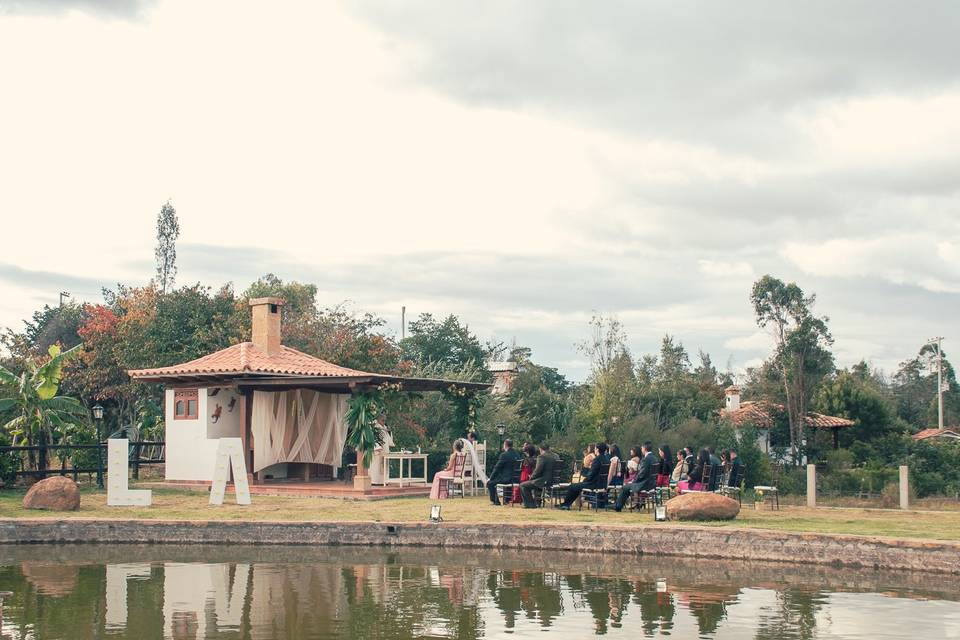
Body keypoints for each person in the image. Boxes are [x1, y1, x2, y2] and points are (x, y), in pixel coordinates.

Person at [557, 443, 610, 509]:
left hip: (594, 484)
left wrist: (585, 480)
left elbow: (592, 474)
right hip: (602, 484)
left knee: (572, 486)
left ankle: (565, 504)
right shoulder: (607, 460)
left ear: (597, 449)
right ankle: (566, 504)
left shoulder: (597, 460)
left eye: (595, 449)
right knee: (576, 486)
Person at [614, 442, 658, 511]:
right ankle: (621, 504)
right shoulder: (655, 458)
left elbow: (642, 474)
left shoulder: (646, 459)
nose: (641, 450)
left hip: (644, 484)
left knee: (625, 488)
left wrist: (634, 481)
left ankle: (618, 506)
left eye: (642, 448)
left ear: (645, 448)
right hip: (652, 484)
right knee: (628, 487)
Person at [520, 444, 559, 508]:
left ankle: (530, 504)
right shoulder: (556, 456)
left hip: (544, 480)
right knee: (535, 482)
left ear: (540, 449)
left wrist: (531, 478)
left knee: (523, 485)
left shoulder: (541, 457)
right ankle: (537, 502)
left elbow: (537, 470)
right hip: (554, 480)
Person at [487, 439, 522, 505]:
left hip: (507, 479)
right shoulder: (517, 454)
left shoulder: (504, 455)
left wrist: (491, 478)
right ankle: (507, 500)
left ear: (505, 445)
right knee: (499, 479)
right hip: (516, 479)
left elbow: (497, 468)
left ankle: (495, 501)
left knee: (490, 483)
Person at [369, 413, 395, 486]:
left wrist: (389, 431)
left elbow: (388, 439)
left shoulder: (385, 427)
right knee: (376, 466)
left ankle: (384, 481)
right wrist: (377, 447)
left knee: (384, 466)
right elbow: (373, 438)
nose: (384, 421)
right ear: (378, 419)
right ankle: (375, 481)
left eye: (385, 420)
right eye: (383, 420)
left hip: (385, 450)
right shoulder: (374, 427)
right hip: (378, 451)